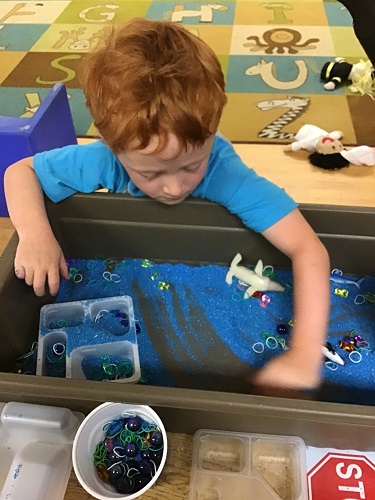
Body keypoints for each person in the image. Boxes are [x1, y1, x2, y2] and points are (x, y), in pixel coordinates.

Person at [4, 18, 330, 391]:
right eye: (151, 174)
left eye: (192, 165)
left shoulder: (224, 172)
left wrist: (304, 355)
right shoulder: (104, 159)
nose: (175, 187)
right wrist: (34, 235)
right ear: (113, 146)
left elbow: (309, 249)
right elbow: (19, 172)